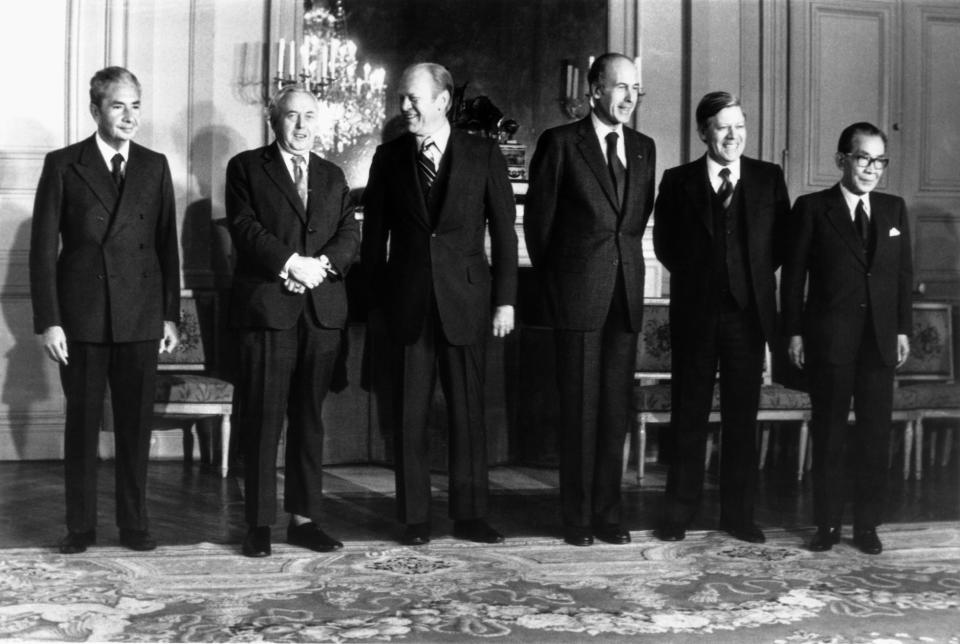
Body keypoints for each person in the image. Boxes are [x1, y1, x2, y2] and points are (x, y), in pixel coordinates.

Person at [361, 62, 518, 546]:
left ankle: (470, 516)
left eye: (413, 98)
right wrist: (376, 306)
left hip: (467, 302)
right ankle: (414, 518)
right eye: (401, 99)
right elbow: (373, 242)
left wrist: (505, 302)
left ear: (443, 101)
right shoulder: (387, 158)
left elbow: (505, 234)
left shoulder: (483, 153)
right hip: (406, 306)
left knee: (468, 413)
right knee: (409, 415)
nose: (404, 107)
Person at [29, 66, 181, 554]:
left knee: (136, 427)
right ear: (95, 110)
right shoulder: (63, 164)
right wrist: (50, 320)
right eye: (118, 105)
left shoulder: (155, 166)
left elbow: (166, 247)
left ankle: (134, 525)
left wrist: (170, 315)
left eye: (136, 105)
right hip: (82, 319)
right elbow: (41, 250)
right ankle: (81, 527)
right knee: (82, 426)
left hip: (140, 317)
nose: (129, 115)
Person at [524, 53, 656, 547]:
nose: (628, 98)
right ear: (595, 90)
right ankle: (576, 518)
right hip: (577, 299)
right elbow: (539, 229)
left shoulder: (644, 148)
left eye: (635, 89)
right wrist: (562, 285)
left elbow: (635, 222)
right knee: (579, 411)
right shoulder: (560, 143)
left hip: (625, 299)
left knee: (613, 414)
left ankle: (608, 514)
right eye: (620, 87)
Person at [225, 86, 360, 557]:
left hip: (321, 312)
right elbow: (244, 228)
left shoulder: (332, 174)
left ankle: (304, 520)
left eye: (309, 116)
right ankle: (259, 523)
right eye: (291, 116)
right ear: (272, 119)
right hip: (270, 310)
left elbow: (349, 232)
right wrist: (290, 264)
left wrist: (319, 267)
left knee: (309, 420)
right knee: (264, 419)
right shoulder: (245, 168)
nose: (301, 126)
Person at [653, 91, 790, 544]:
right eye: (722, 127)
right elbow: (665, 246)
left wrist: (745, 280)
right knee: (688, 416)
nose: (733, 136)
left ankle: (739, 515)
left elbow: (780, 245)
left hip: (747, 318)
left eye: (740, 126)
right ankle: (678, 514)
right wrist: (702, 281)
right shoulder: (678, 180)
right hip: (696, 315)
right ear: (703, 132)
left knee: (741, 419)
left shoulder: (769, 178)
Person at [782, 122, 912, 555]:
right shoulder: (813, 208)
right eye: (863, 158)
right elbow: (793, 277)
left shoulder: (894, 210)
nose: (871, 168)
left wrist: (903, 329)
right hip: (829, 341)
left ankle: (867, 526)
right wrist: (795, 332)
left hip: (878, 343)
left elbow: (902, 278)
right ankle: (828, 525)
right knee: (830, 435)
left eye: (879, 160)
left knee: (876, 438)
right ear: (842, 160)